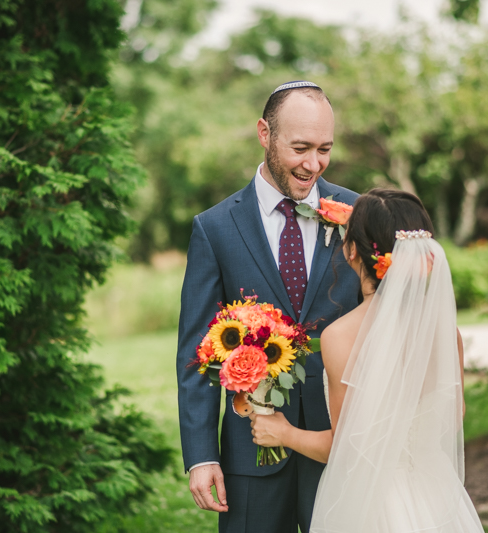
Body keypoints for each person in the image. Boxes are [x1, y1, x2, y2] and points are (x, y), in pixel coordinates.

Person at [176, 81, 360, 533]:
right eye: (300, 148)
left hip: (341, 445)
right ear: (265, 133)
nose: (312, 164)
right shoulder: (214, 228)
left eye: (324, 149)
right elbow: (197, 354)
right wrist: (201, 457)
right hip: (250, 455)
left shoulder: (358, 213)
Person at [250, 189, 486, 532]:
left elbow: (346, 447)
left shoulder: (341, 336)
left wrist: (283, 432)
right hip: (437, 497)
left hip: (374, 505)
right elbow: (455, 415)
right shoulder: (447, 334)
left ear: (350, 252)